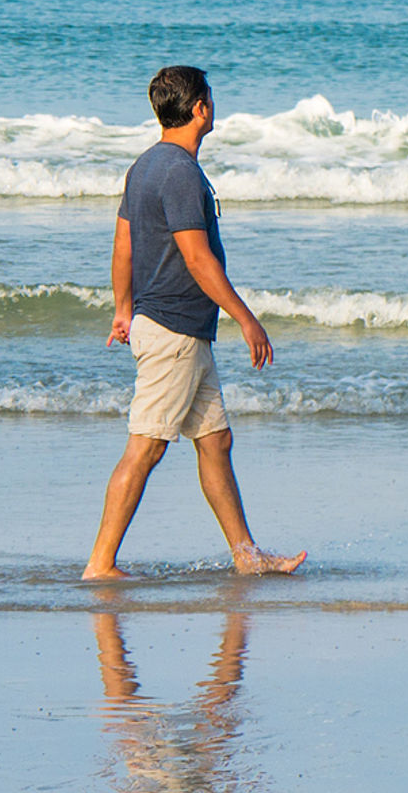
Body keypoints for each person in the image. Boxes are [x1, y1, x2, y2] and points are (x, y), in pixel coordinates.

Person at [85, 66, 304, 580]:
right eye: (211, 98)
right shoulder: (180, 171)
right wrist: (247, 319)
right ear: (200, 107)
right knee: (145, 448)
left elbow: (123, 243)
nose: (214, 106)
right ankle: (100, 565)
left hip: (181, 331)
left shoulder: (144, 166)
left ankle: (247, 555)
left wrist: (122, 308)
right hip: (174, 333)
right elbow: (198, 258)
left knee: (215, 441)